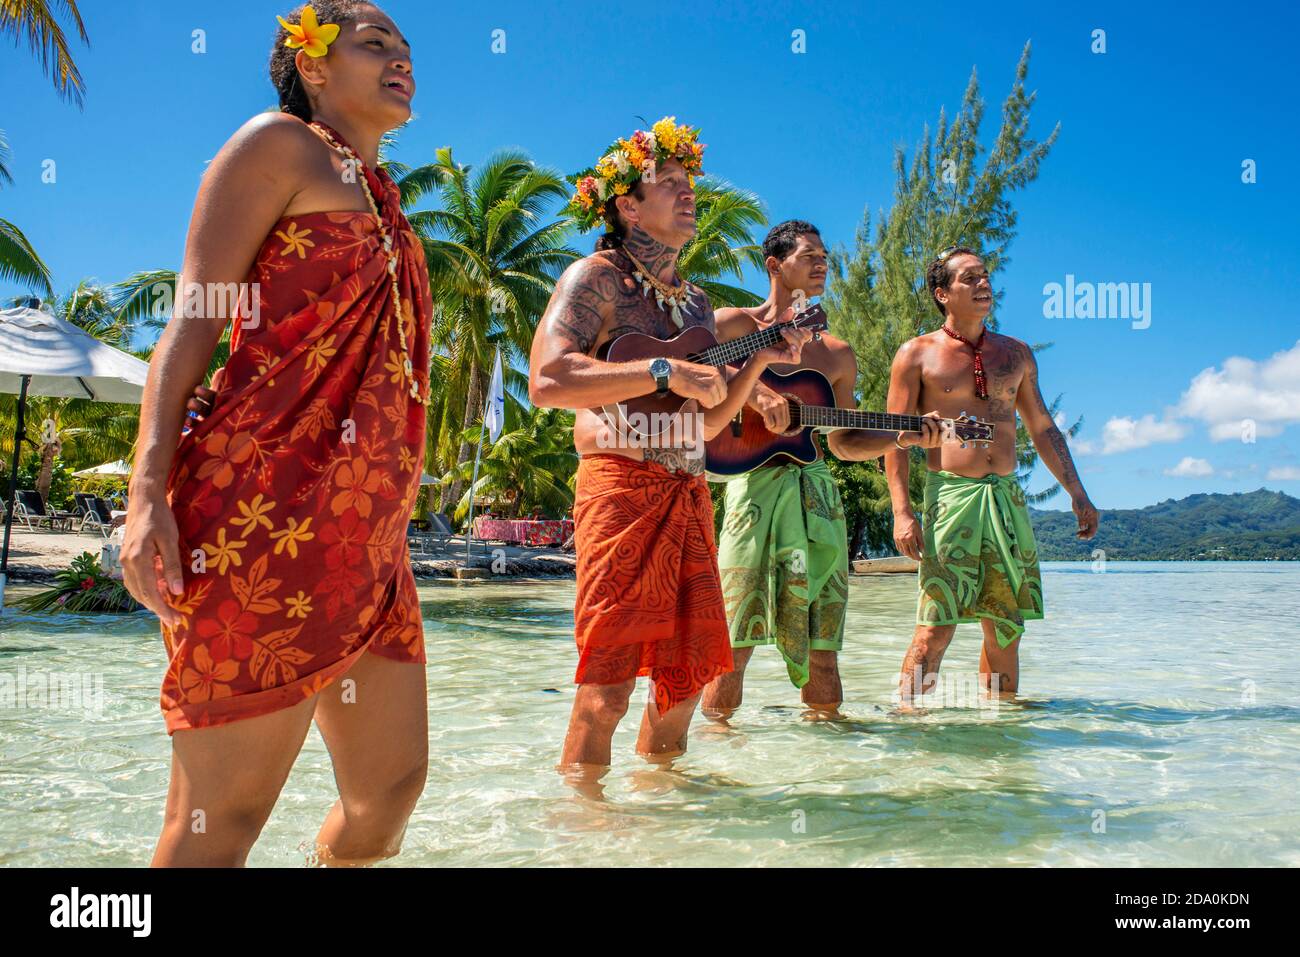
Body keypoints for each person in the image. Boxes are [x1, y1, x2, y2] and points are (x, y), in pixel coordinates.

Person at [121, 2, 431, 866]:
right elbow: (194, 321)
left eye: (406, 49)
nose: (401, 60)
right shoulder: (278, 145)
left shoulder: (386, 198)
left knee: (389, 792)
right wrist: (146, 493)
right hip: (262, 514)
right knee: (220, 823)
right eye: (375, 46)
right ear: (314, 67)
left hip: (367, 538)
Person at [528, 119, 810, 772]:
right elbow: (546, 379)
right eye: (671, 184)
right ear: (627, 204)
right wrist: (659, 370)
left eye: (691, 185)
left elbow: (708, 424)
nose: (690, 195)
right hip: (622, 493)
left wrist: (761, 360)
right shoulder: (594, 279)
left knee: (682, 688)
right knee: (607, 690)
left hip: (689, 495)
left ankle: (666, 823)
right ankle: (586, 825)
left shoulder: (697, 305)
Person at [702, 221, 943, 720]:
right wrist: (761, 393)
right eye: (809, 255)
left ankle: (831, 769)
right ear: (774, 264)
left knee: (824, 647)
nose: (822, 264)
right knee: (732, 643)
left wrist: (907, 433)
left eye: (825, 256)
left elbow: (846, 442)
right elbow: (693, 366)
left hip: (816, 501)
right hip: (752, 497)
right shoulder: (732, 325)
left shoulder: (835, 354)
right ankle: (718, 756)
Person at [887, 246, 1100, 700]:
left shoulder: (1016, 354)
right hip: (950, 499)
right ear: (943, 294)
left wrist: (1076, 492)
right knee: (935, 628)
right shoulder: (916, 354)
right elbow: (894, 439)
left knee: (1005, 628)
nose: (983, 284)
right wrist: (902, 512)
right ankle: (909, 722)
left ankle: (1002, 731)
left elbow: (1042, 428)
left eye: (985, 275)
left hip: (1005, 498)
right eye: (969, 279)